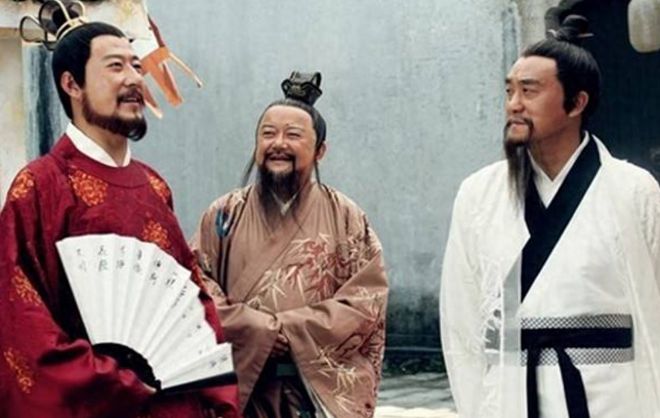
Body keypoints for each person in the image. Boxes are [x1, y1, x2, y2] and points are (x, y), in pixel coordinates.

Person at [0, 9, 239, 418]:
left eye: (136, 66)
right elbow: (19, 322)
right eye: (115, 66)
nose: (134, 79)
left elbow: (192, 303)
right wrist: (115, 381)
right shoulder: (40, 186)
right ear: (72, 84)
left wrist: (216, 395)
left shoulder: (154, 187)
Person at [440, 14, 660, 418]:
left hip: (612, 396)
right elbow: (461, 315)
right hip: (511, 394)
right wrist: (477, 405)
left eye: (529, 90)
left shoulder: (634, 190)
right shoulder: (478, 194)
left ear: (577, 103)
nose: (514, 104)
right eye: (509, 91)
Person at [191, 72, 388, 418]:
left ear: (320, 151)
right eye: (268, 133)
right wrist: (255, 329)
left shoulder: (346, 216)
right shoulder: (223, 213)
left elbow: (365, 301)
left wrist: (289, 331)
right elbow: (196, 284)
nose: (278, 143)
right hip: (242, 392)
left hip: (309, 396)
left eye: (293, 135)